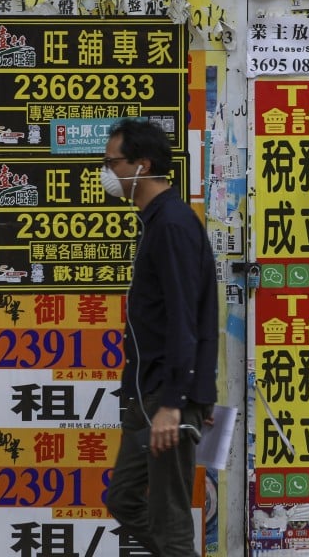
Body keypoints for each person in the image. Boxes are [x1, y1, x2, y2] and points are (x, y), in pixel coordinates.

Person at [102, 118, 219, 557]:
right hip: (149, 392)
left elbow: (186, 316)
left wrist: (179, 401)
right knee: (123, 497)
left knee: (170, 520)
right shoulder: (159, 220)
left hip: (163, 398)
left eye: (111, 162)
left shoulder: (171, 223)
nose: (106, 172)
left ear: (141, 164)